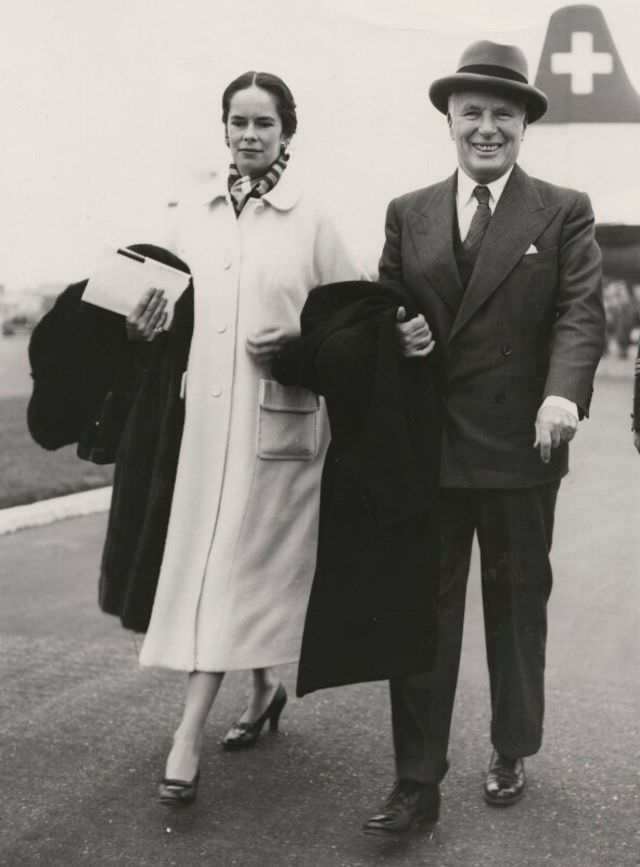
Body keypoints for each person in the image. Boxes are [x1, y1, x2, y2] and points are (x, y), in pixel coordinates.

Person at [105, 71, 366, 805]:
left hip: (279, 435)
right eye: (238, 122)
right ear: (223, 128)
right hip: (203, 434)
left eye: (264, 124)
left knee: (225, 575)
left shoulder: (312, 220)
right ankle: (265, 690)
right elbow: (153, 314)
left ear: (288, 133)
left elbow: (353, 326)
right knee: (223, 572)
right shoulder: (192, 214)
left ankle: (186, 734)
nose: (249, 136)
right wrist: (143, 321)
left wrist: (301, 339)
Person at [364, 40, 605, 834]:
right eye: (473, 112)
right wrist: (396, 339)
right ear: (450, 119)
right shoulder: (409, 210)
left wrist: (562, 395)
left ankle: (511, 745)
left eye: (504, 113)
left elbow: (579, 312)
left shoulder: (563, 209)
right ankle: (415, 778)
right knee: (422, 615)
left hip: (523, 446)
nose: (487, 127)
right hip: (431, 448)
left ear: (525, 125)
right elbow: (385, 309)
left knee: (514, 608)